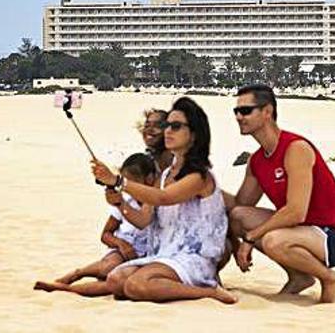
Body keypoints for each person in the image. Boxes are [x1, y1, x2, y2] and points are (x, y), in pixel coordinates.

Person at [93, 97, 237, 304]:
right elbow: (143, 220)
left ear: (194, 134)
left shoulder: (199, 176)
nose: (168, 131)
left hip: (193, 258)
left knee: (135, 285)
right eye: (167, 125)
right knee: (116, 280)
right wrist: (121, 204)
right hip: (166, 254)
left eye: (176, 126)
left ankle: (209, 292)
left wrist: (118, 181)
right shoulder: (164, 175)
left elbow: (163, 198)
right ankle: (185, 287)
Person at [226, 84, 335, 303]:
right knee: (238, 217)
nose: (239, 117)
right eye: (236, 111)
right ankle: (299, 276)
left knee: (273, 240)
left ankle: (330, 278)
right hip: (302, 230)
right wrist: (204, 184)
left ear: (267, 112)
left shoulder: (295, 148)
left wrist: (250, 238)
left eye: (246, 110)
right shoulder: (257, 160)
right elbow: (240, 205)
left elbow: (295, 212)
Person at [33, 153, 158, 296]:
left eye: (132, 184)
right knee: (109, 267)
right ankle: (77, 273)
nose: (127, 189)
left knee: (117, 283)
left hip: (145, 255)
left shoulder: (156, 202)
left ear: (149, 179)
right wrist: (121, 244)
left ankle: (66, 289)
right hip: (120, 250)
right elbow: (105, 235)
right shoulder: (125, 200)